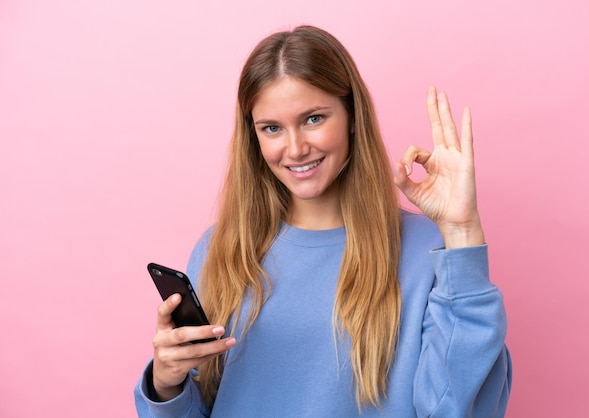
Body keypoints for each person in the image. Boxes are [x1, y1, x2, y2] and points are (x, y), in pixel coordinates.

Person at [134, 25, 512, 417]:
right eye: (272, 128)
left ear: (351, 116)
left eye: (314, 118)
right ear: (254, 137)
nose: (295, 149)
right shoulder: (220, 250)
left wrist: (463, 234)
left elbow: (464, 409)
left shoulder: (429, 252)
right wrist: (166, 385)